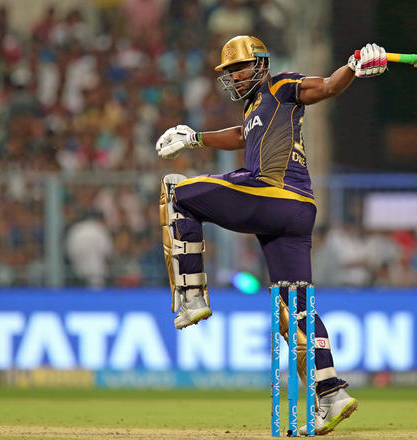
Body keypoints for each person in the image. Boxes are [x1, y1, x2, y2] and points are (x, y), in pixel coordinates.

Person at [155, 35, 387, 435]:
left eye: (240, 68)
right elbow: (241, 136)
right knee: (293, 308)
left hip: (274, 193)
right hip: (296, 213)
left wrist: (352, 66)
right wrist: (195, 138)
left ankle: (191, 296)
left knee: (177, 191)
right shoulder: (254, 110)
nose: (234, 76)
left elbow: (327, 87)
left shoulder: (280, 86)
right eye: (229, 72)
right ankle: (331, 394)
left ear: (261, 64)